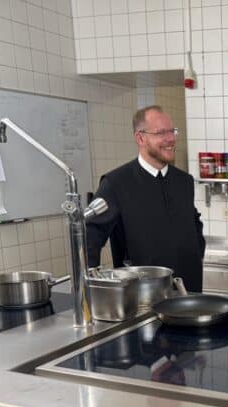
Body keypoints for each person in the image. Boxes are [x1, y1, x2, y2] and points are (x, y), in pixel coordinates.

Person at [86, 105, 205, 292]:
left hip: (188, 291)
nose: (171, 139)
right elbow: (90, 236)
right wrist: (92, 287)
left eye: (172, 131)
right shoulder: (116, 183)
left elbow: (194, 223)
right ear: (140, 138)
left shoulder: (184, 181)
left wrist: (196, 256)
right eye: (161, 133)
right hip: (142, 296)